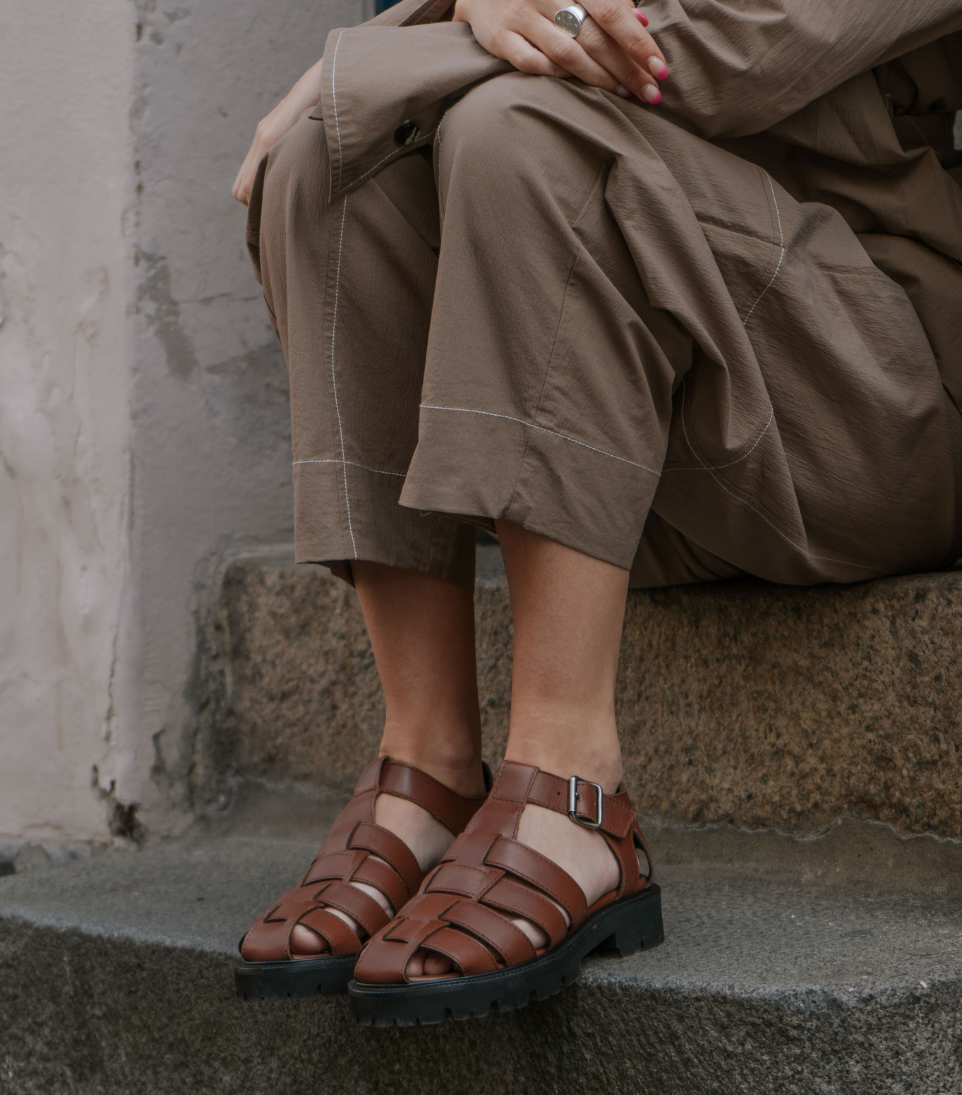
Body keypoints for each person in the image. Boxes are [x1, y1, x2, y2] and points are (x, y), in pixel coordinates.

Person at [230, 0, 962, 1025]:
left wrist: (372, 58)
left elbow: (712, 50)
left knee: (504, 128)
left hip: (860, 401)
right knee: (328, 164)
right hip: (640, 439)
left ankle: (573, 787)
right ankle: (429, 766)